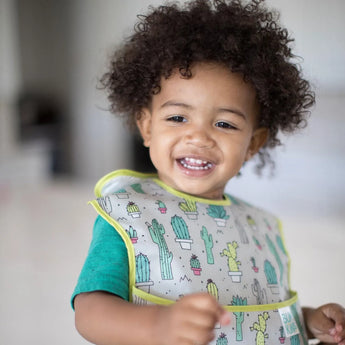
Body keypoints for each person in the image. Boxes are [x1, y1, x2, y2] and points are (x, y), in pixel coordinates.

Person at [71, 1, 345, 345]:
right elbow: (89, 312)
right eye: (177, 117)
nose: (199, 136)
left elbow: (260, 314)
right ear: (146, 126)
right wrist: (158, 326)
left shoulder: (259, 227)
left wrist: (307, 321)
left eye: (224, 123)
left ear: (252, 144)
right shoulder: (128, 215)